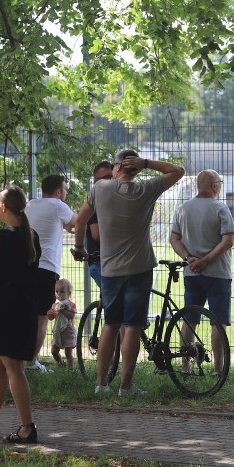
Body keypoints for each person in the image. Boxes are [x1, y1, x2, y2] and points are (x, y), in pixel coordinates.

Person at [73, 149, 185, 396]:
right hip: (139, 268)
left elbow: (80, 221)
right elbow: (178, 171)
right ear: (136, 169)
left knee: (110, 325)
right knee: (132, 326)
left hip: (110, 269)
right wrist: (146, 163)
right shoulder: (146, 190)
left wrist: (80, 247)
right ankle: (125, 386)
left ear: (116, 167)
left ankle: (101, 384)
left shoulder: (99, 189)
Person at [0, 185, 41, 443]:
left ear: (3, 206)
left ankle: (27, 427)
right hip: (25, 307)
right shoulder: (30, 236)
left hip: (4, 310)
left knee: (13, 368)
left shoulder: (1, 238)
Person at [169, 169, 234, 375]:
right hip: (218, 273)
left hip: (192, 273)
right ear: (215, 186)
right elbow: (228, 240)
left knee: (190, 318)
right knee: (218, 321)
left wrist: (189, 258)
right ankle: (218, 369)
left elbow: (174, 238)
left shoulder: (183, 209)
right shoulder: (221, 209)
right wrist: (207, 260)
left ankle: (185, 366)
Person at [24, 174, 77, 373]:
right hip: (46, 268)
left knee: (26, 315)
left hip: (27, 267)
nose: (65, 195)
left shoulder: (30, 205)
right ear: (58, 192)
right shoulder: (57, 205)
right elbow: (77, 222)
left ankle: (20, 359)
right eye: (65, 191)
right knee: (42, 318)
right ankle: (32, 362)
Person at [84, 161, 114, 288]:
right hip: (99, 262)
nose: (110, 181)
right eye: (105, 178)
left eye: (111, 177)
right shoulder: (93, 204)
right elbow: (96, 235)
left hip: (115, 262)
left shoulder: (115, 201)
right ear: (95, 182)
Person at [48, 278, 77, 369]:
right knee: (54, 351)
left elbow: (71, 316)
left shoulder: (71, 304)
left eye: (62, 291)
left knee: (68, 352)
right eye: (57, 291)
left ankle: (70, 369)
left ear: (69, 293)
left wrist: (63, 310)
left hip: (68, 331)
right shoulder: (55, 305)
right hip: (58, 331)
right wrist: (49, 314)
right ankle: (61, 363)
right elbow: (51, 318)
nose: (59, 293)